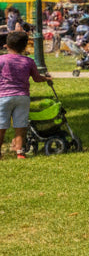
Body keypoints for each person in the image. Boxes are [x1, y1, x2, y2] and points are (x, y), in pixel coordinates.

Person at [0, 31, 52, 160]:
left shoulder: (1, 60)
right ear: (25, 47)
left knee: (1, 126)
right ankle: (20, 152)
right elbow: (36, 78)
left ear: (6, 45)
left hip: (3, 96)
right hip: (22, 97)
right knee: (20, 126)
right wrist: (46, 78)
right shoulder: (28, 61)